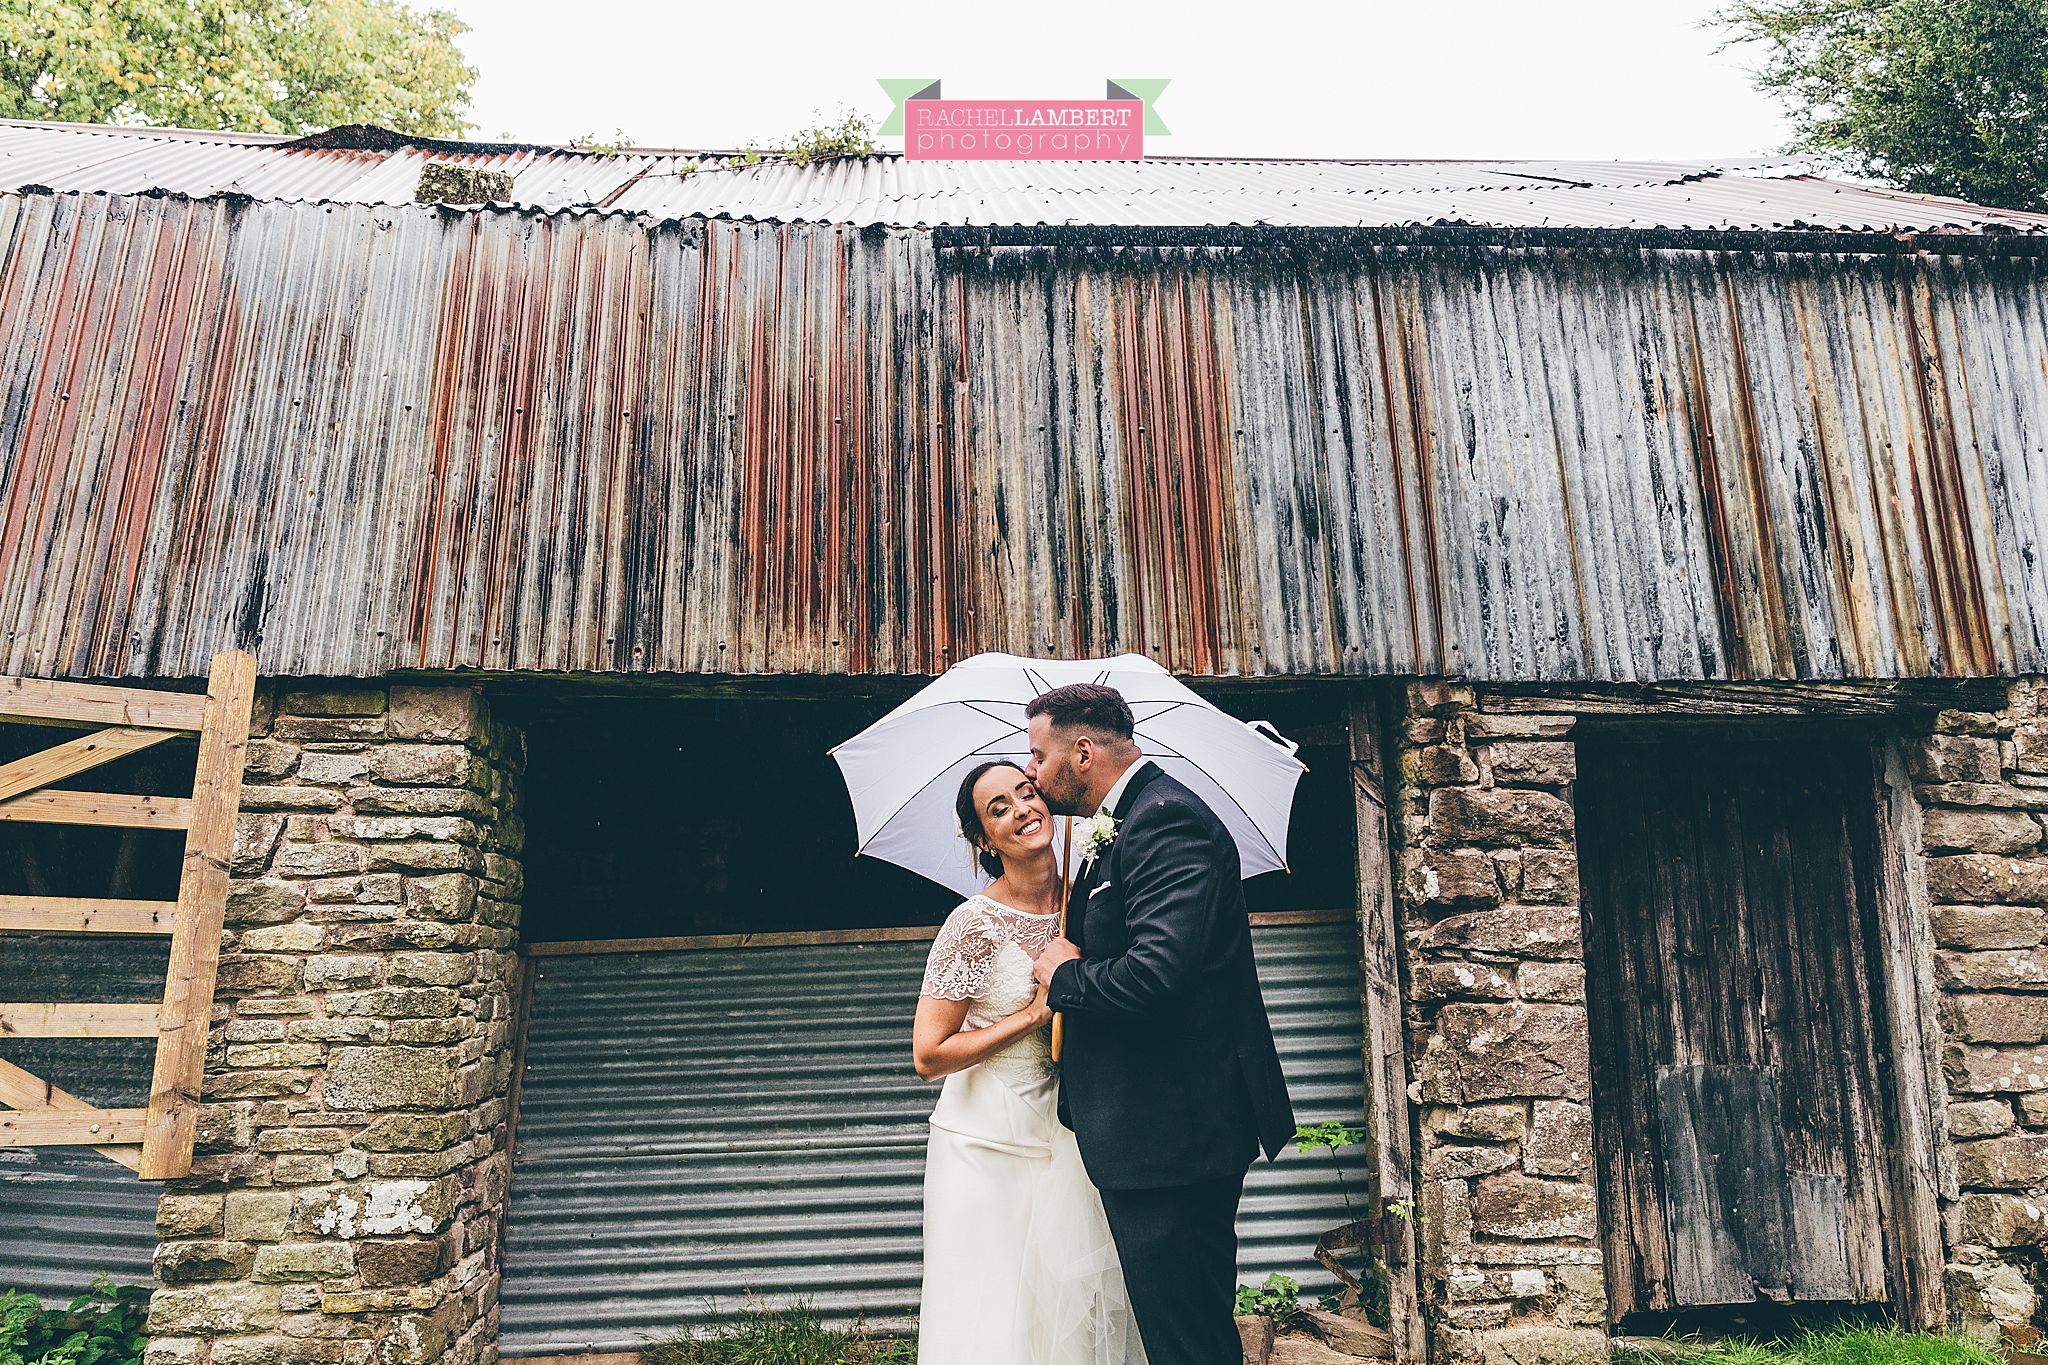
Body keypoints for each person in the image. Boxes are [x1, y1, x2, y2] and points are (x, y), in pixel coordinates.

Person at [1025, 683, 1296, 1365]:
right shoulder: (1118, 828)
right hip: (1149, 1133)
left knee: (1186, 1339)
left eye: (1037, 756)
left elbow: (1157, 976)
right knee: (1186, 1334)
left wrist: (1065, 977)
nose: (1032, 774)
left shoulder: (1166, 820)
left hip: (1173, 1133)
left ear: (1081, 753)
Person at [911, 758, 1148, 1365]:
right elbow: (929, 1054)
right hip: (984, 1142)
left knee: (1066, 1304)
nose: (1022, 810)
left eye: (1026, 792)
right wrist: (1035, 1015)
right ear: (983, 840)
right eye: (1000, 809)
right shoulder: (972, 924)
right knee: (993, 1308)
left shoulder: (1088, 903)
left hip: (1068, 1130)